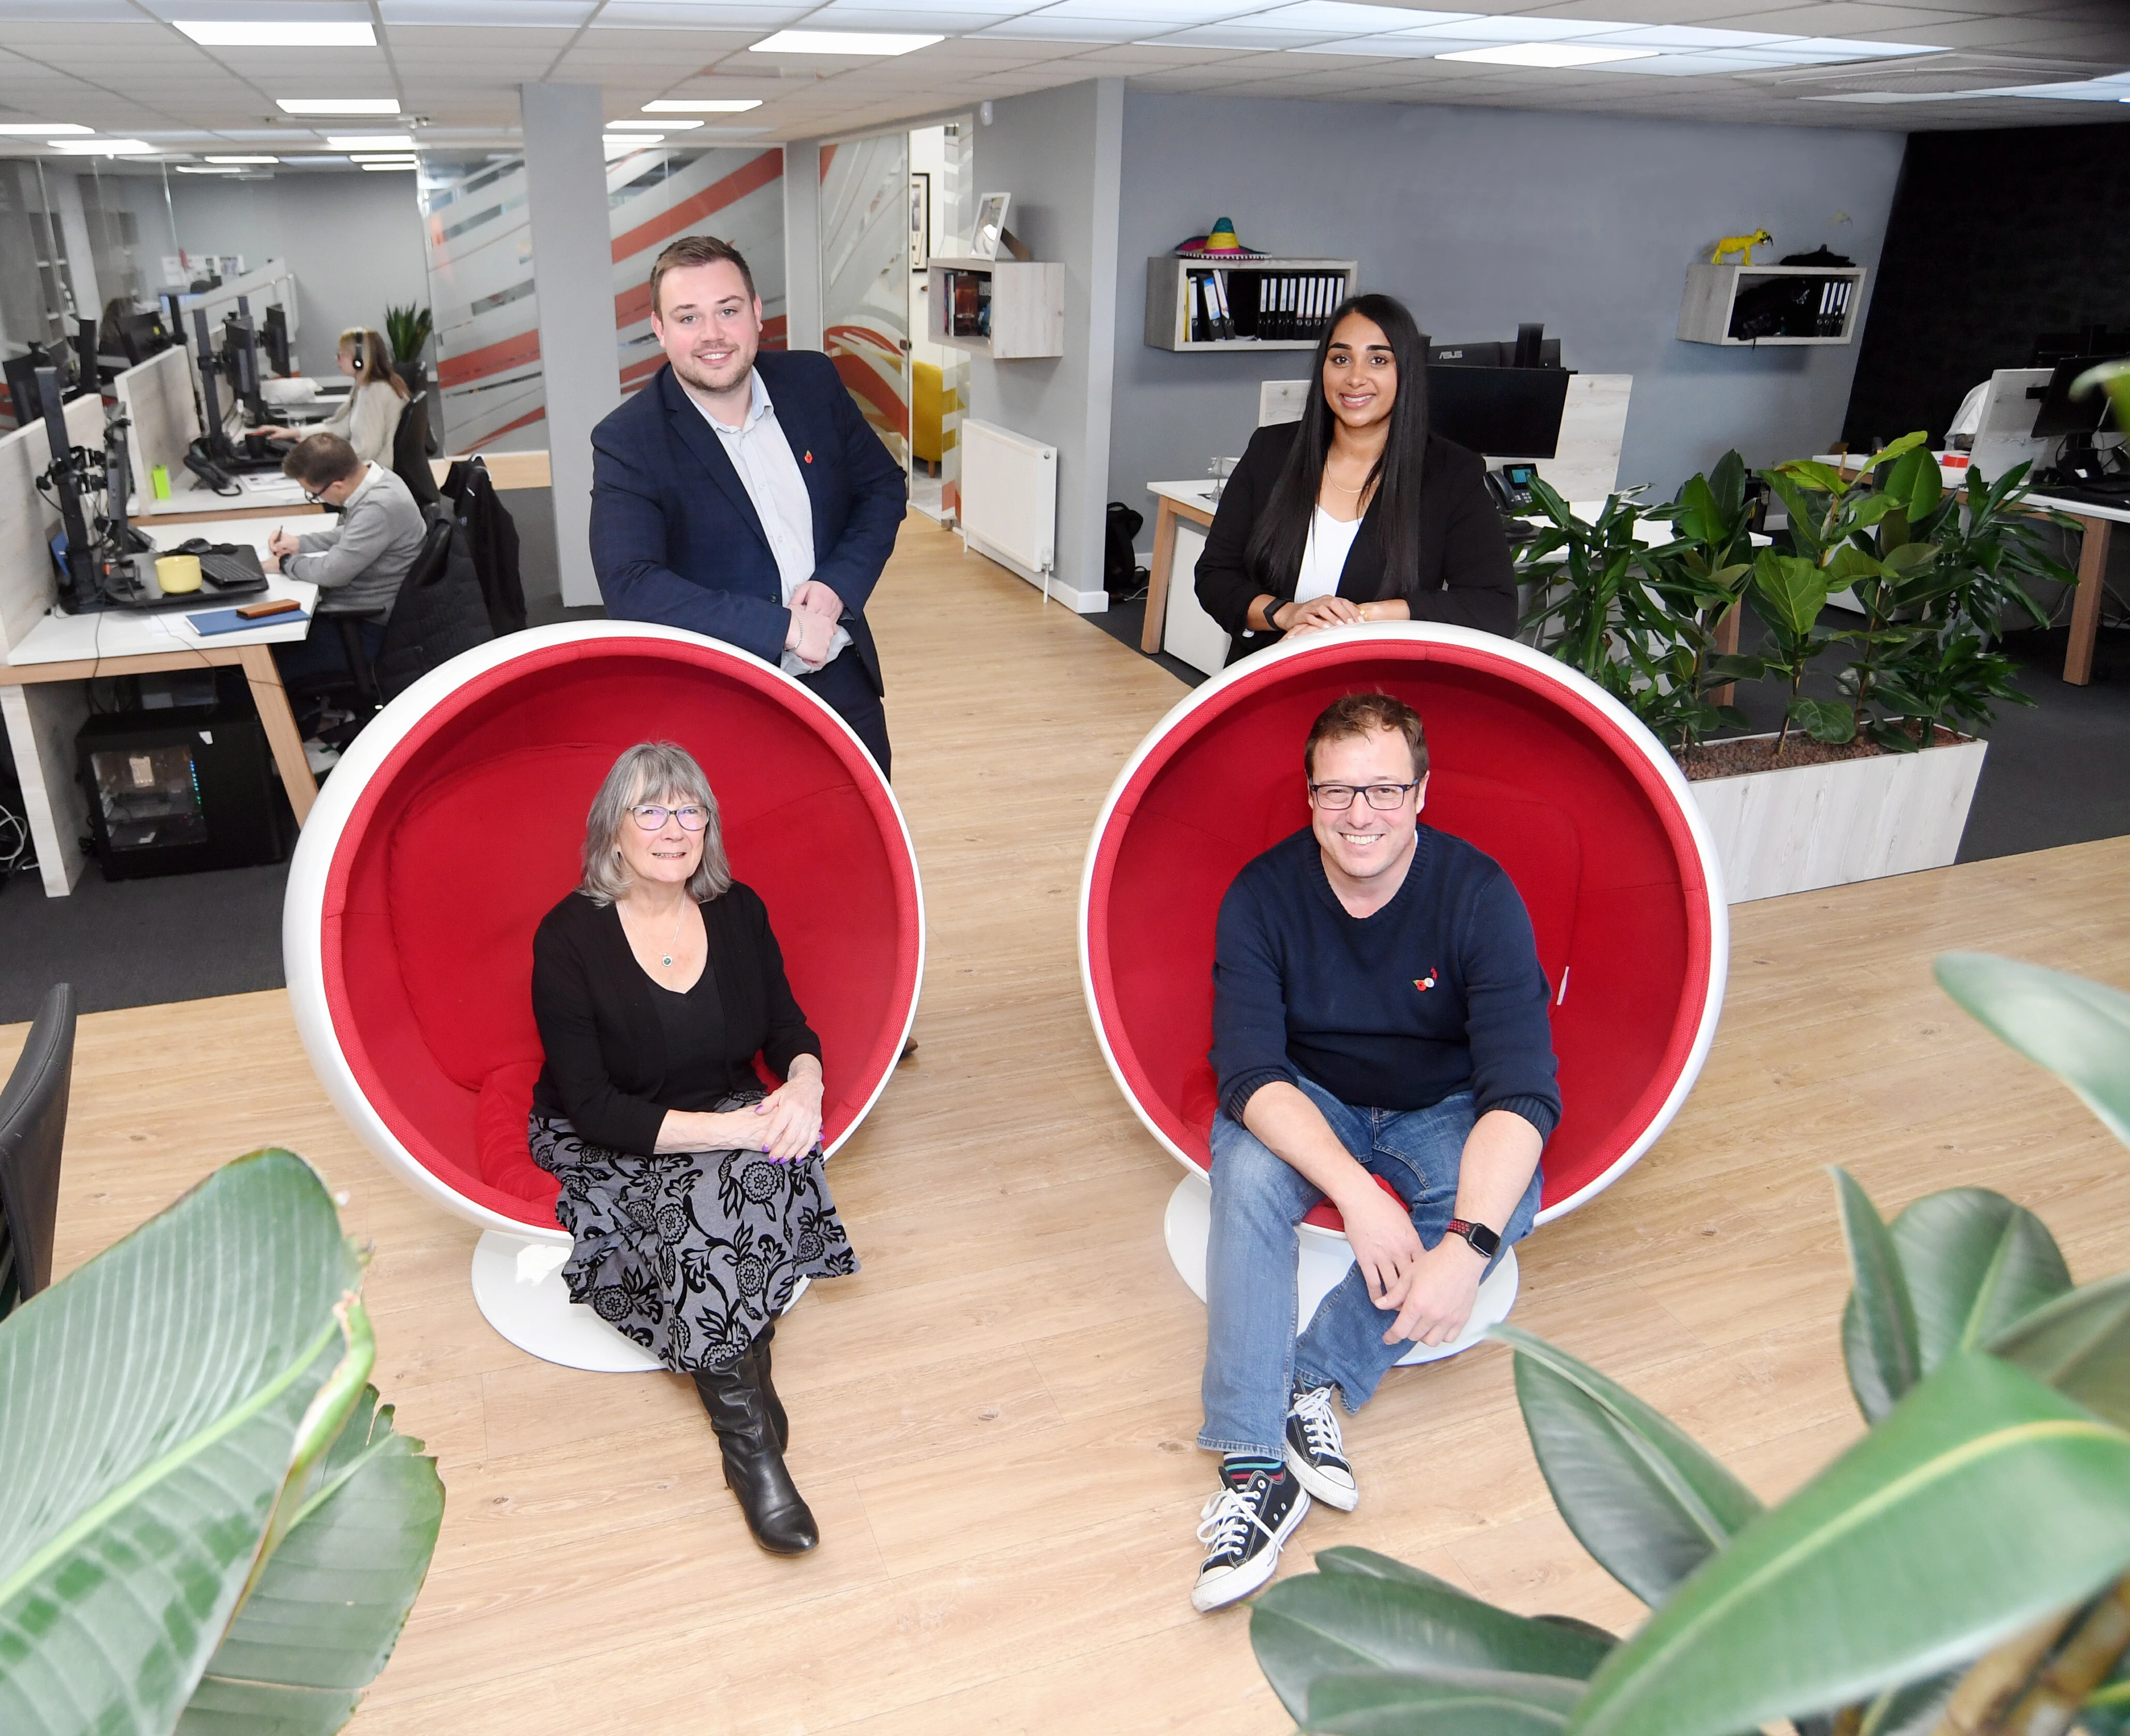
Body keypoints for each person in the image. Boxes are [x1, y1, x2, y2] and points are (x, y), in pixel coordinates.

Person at [1190, 692, 1557, 1613]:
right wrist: (1358, 1194)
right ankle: (1252, 1469)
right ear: (1309, 798)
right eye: (1338, 792)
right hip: (1311, 1096)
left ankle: (1316, 1375)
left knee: (1506, 1195)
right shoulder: (1263, 895)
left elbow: (1521, 1090)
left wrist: (1466, 1253)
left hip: (1439, 1102)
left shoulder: (1477, 894)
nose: (1362, 815)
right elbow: (1247, 1072)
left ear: (1422, 794)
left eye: (1385, 790)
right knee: (1243, 1171)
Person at [528, 741, 859, 1556]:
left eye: (689, 810)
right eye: (650, 809)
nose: (672, 828)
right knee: (702, 1203)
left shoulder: (738, 910)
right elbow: (595, 1102)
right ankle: (749, 1440)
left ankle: (739, 1375)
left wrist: (804, 1086)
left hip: (718, 1100)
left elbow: (787, 1029)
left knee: (763, 1166)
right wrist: (732, 1130)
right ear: (613, 831)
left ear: (707, 827)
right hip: (613, 1126)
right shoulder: (568, 937)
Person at [590, 234, 906, 775]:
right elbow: (631, 583)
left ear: (757, 313)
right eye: (687, 318)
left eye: (728, 310)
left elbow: (881, 487)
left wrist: (838, 585)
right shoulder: (629, 439)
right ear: (660, 330)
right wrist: (780, 626)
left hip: (841, 683)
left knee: (864, 854)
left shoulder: (812, 381)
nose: (712, 335)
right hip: (725, 703)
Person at [1194, 293, 1516, 664]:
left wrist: (1363, 617)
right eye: (1341, 359)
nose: (1355, 378)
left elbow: (1493, 607)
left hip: (1379, 696)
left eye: (1378, 360)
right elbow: (1215, 575)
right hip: (1267, 675)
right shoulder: (1271, 450)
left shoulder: (1451, 472)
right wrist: (1286, 614)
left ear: (1406, 372)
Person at [264, 432, 424, 685]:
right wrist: (300, 543)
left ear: (338, 486)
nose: (315, 499)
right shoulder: (380, 478)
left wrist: (285, 564)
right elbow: (353, 533)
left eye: (314, 495)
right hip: (359, 609)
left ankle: (307, 719)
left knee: (266, 666)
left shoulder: (379, 506)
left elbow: (333, 573)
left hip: (367, 625)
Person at [254, 326, 409, 467]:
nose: (337, 359)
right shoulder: (363, 386)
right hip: (364, 467)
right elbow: (342, 427)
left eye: (342, 355)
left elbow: (366, 450)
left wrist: (325, 455)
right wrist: (292, 433)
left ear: (359, 361)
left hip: (375, 473)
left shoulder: (378, 391)